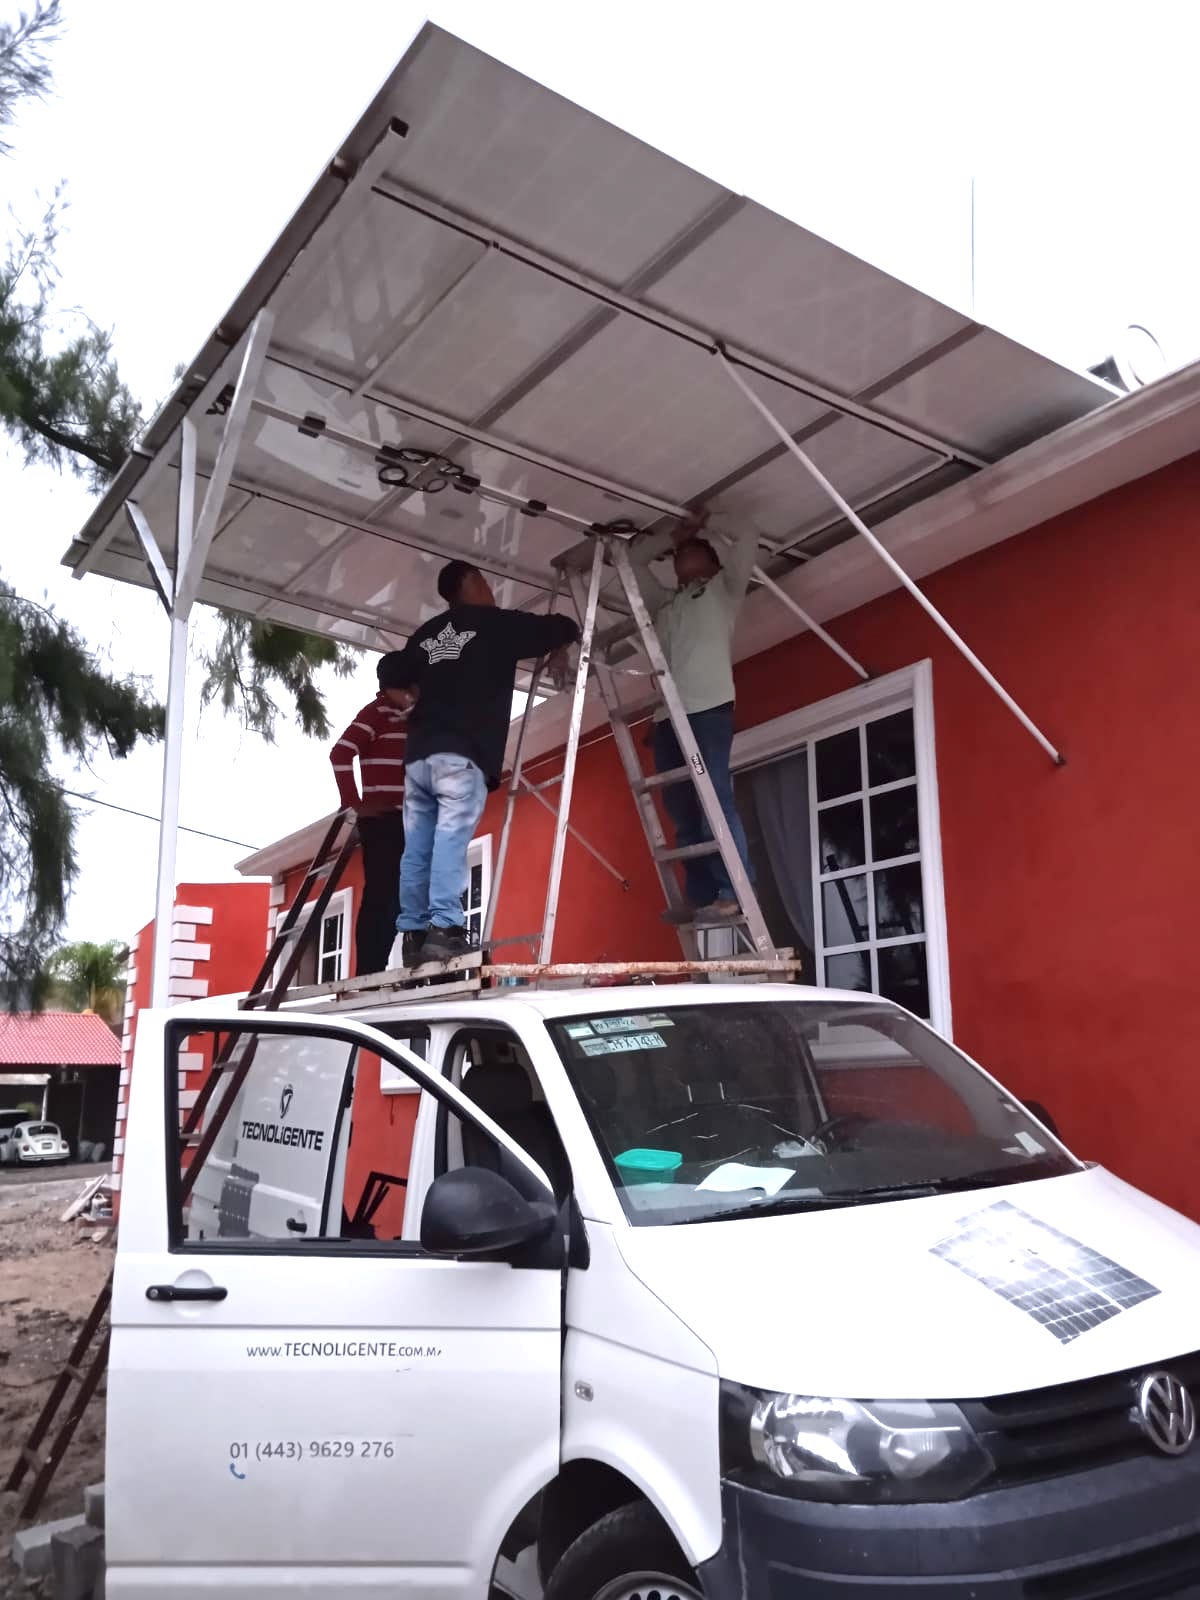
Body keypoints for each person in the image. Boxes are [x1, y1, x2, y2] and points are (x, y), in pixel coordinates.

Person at [389, 560, 580, 967]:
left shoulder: (425, 636)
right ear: (473, 583)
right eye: (486, 581)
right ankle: (445, 928)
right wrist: (564, 641)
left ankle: (413, 934)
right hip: (461, 753)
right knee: (450, 841)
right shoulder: (494, 624)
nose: (491, 588)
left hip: (419, 756)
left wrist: (404, 698)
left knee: (417, 848)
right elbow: (560, 625)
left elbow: (388, 667)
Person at [630, 511, 759, 921]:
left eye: (691, 552)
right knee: (681, 805)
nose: (680, 557)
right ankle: (701, 893)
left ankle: (733, 888)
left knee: (714, 799)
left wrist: (707, 521)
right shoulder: (666, 605)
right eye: (677, 555)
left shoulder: (725, 590)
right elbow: (631, 562)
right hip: (667, 717)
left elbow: (749, 530)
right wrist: (674, 535)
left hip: (709, 710)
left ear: (713, 563)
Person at [329, 652, 413, 976]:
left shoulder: (409, 717)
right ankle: (369, 969)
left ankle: (395, 962)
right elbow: (340, 753)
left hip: (407, 819)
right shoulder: (376, 712)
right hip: (382, 820)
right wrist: (354, 803)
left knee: (402, 894)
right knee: (381, 892)